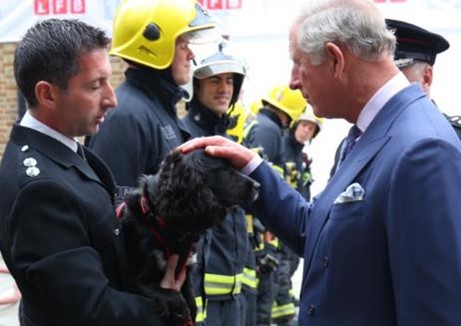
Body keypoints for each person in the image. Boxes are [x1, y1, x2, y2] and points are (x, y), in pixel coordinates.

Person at [179, 0, 461, 324]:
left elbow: (435, 314)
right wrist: (251, 168)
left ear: (336, 60)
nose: (293, 82)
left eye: (299, 63)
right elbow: (320, 235)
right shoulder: (368, 133)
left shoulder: (423, 150)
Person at [0, 18, 188, 325]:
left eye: (109, 82)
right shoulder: (40, 189)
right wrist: (165, 309)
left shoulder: (64, 151)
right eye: (94, 86)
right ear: (47, 94)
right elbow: (90, 311)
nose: (112, 99)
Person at [87, 0, 216, 204]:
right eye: (183, 45)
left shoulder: (157, 107)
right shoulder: (126, 117)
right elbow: (115, 211)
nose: (191, 55)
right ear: (155, 44)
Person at [181, 42, 250, 326]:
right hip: (200, 299)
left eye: (230, 81)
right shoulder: (185, 139)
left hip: (233, 294)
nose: (224, 88)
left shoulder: (227, 140)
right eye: (215, 80)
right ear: (195, 86)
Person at [385, 18, 461, 139]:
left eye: (394, 74)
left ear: (426, 78)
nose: (382, 84)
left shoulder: (454, 138)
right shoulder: (355, 142)